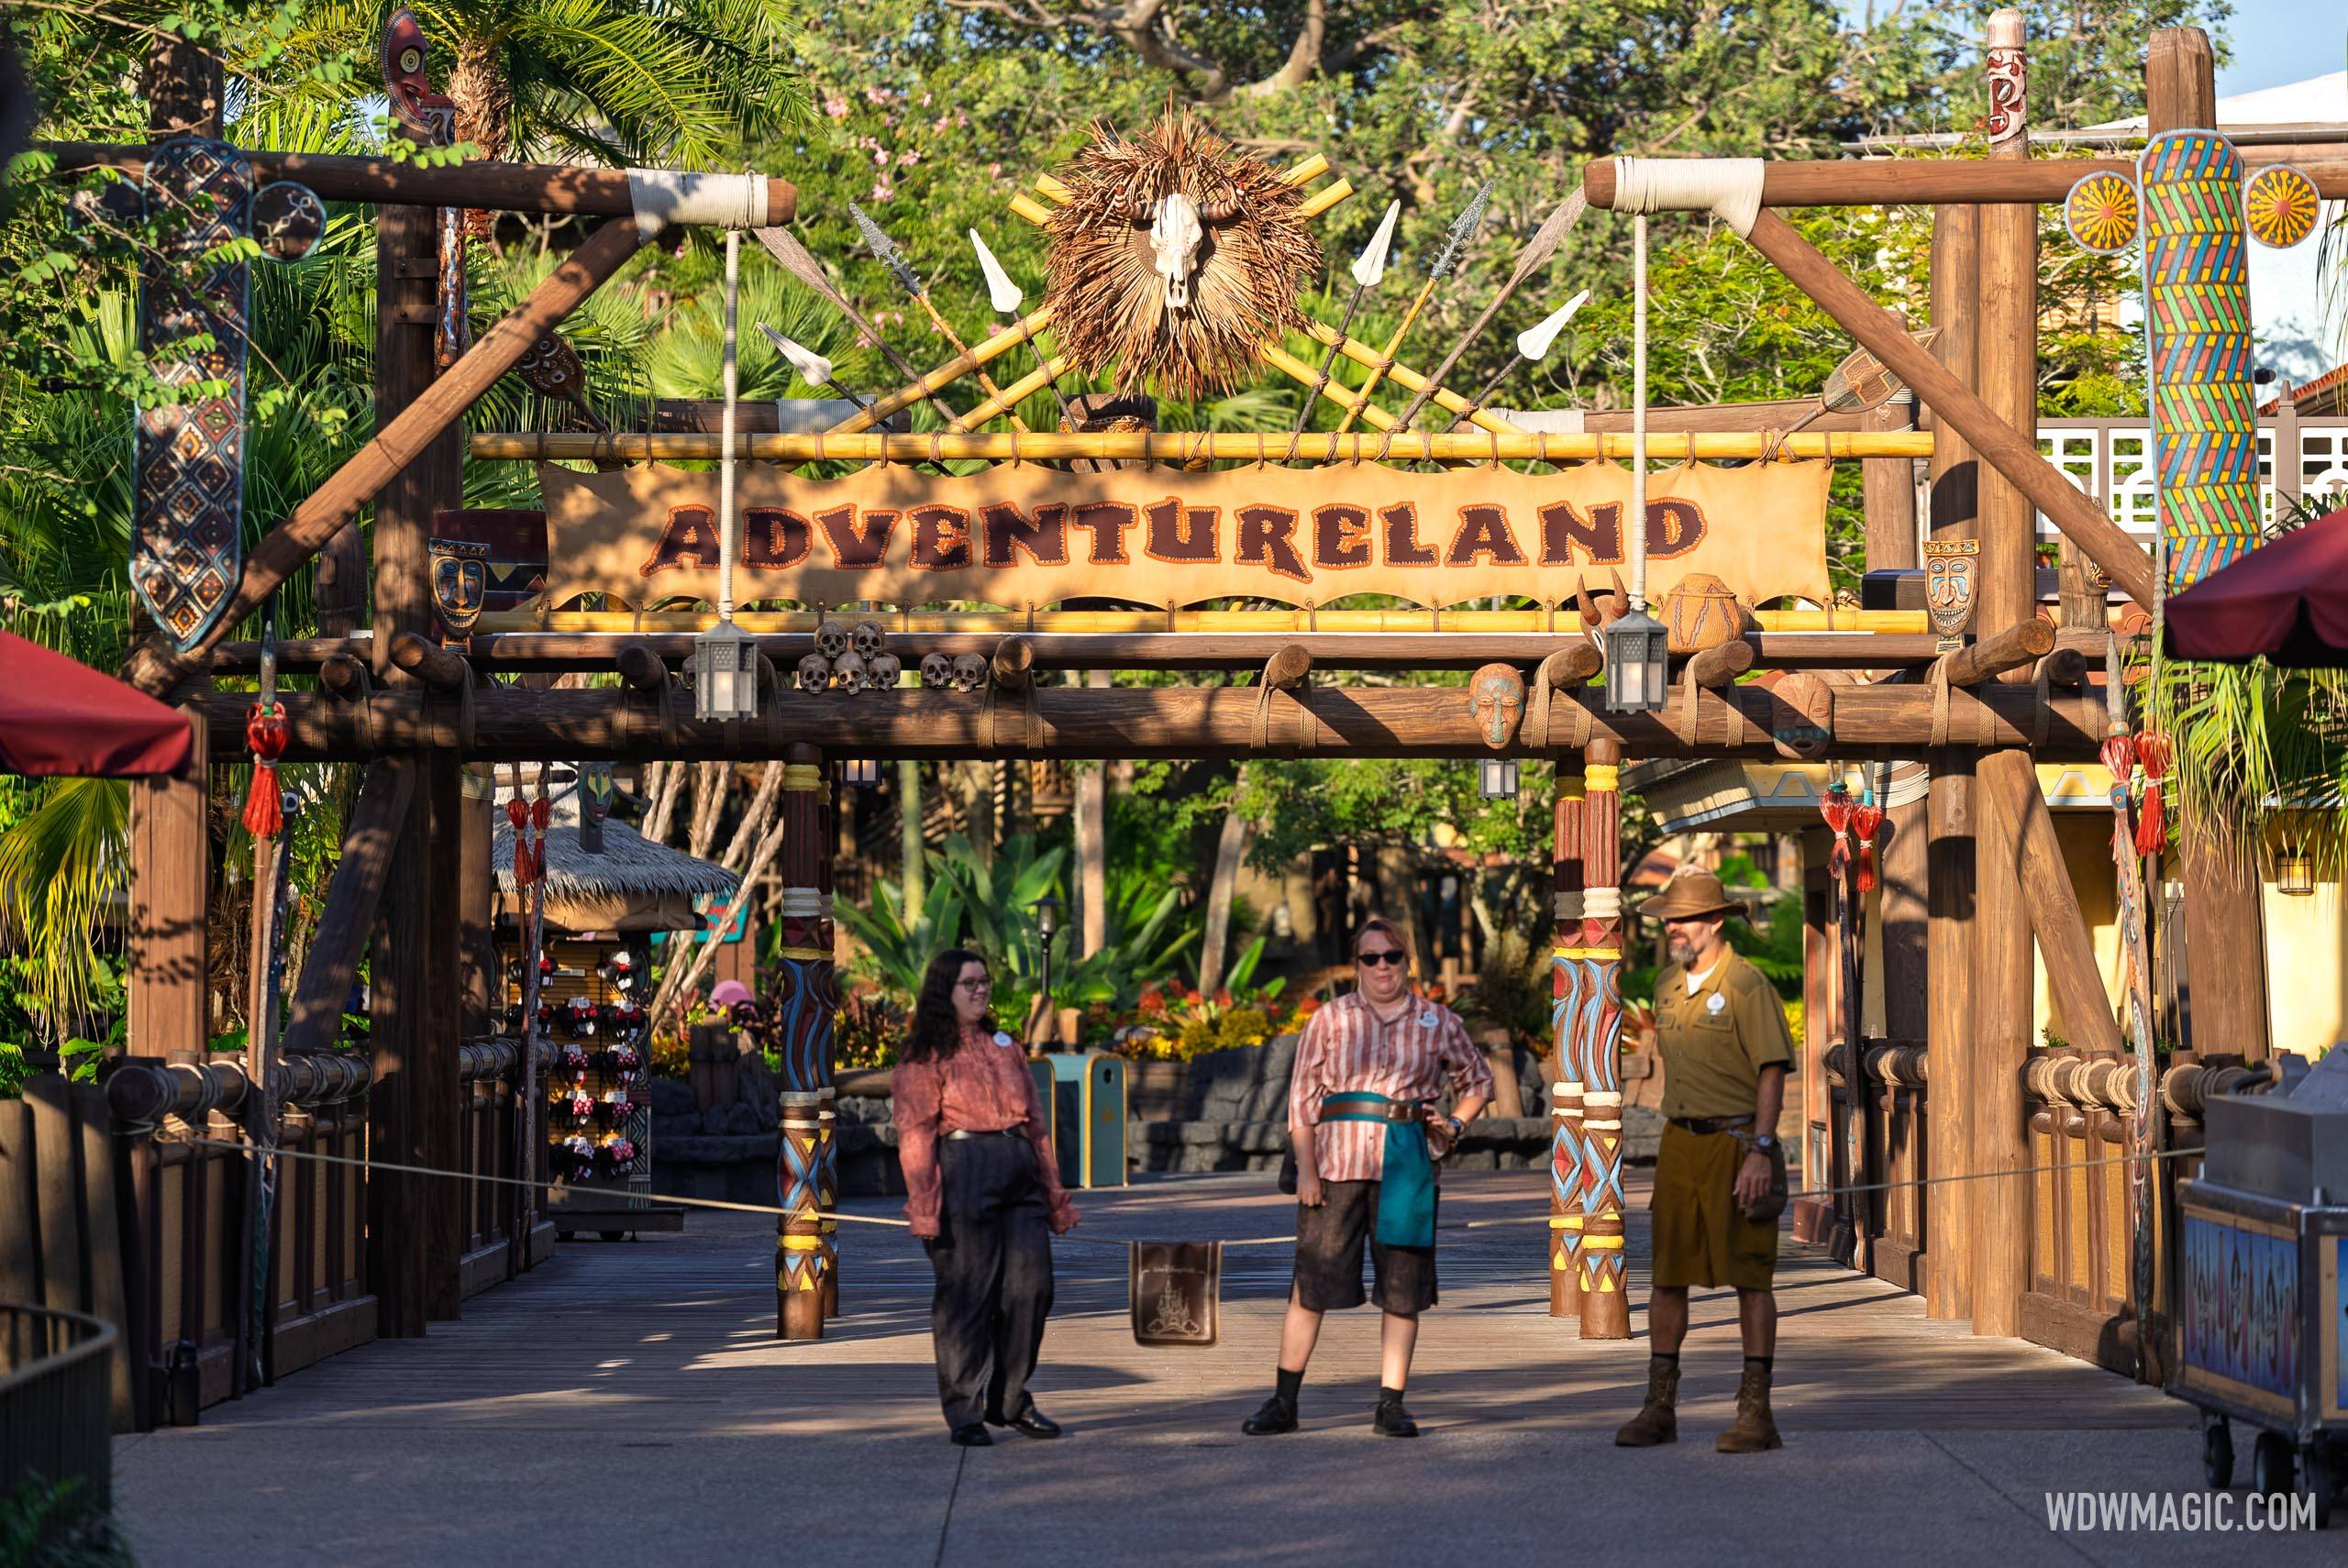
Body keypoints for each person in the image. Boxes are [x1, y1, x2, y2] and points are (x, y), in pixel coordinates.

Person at [1241, 916, 1494, 1439]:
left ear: (1408, 962)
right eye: (1370, 958)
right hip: (1336, 1167)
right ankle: (1284, 1403)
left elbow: (1478, 1081)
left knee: (1404, 1287)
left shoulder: (1437, 1020)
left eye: (1392, 957)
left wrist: (1455, 1123)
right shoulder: (1330, 1019)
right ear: (1356, 964)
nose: (1382, 967)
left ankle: (1391, 1404)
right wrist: (1306, 1170)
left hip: (1408, 1164)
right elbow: (1301, 1101)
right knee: (1311, 1282)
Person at [1613, 870, 1794, 1454]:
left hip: (1737, 1143)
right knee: (1667, 1274)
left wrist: (1762, 1149)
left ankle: (1756, 1413)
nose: (1673, 930)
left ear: (1715, 922)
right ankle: (1658, 1406)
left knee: (1749, 1273)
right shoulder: (1667, 985)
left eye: (1684, 920)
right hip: (1679, 1143)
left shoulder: (1747, 986)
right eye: (1668, 921)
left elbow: (1771, 1069)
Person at [892, 948, 1081, 1447]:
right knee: (966, 1297)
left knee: (1032, 1289)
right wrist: (925, 1206)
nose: (981, 990)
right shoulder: (924, 1054)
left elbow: (1037, 1126)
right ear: (944, 991)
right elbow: (915, 1134)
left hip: (1018, 1173)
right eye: (969, 983)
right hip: (963, 1171)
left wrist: (1055, 1197)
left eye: (984, 981)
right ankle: (965, 1410)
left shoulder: (1006, 1045)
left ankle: (1009, 1398)